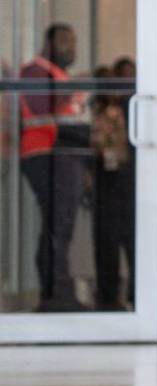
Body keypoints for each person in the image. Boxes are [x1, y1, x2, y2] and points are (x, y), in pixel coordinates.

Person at [19, 24, 91, 311]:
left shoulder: (59, 75)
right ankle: (55, 296)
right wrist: (75, 88)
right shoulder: (35, 70)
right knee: (57, 227)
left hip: (65, 156)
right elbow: (41, 105)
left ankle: (60, 293)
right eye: (65, 42)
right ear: (48, 42)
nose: (72, 49)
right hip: (46, 154)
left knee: (61, 226)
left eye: (74, 42)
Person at [91, 63, 135, 310]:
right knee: (106, 240)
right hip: (105, 181)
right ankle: (108, 296)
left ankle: (136, 293)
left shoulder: (128, 110)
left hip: (126, 179)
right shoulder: (97, 112)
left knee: (130, 237)